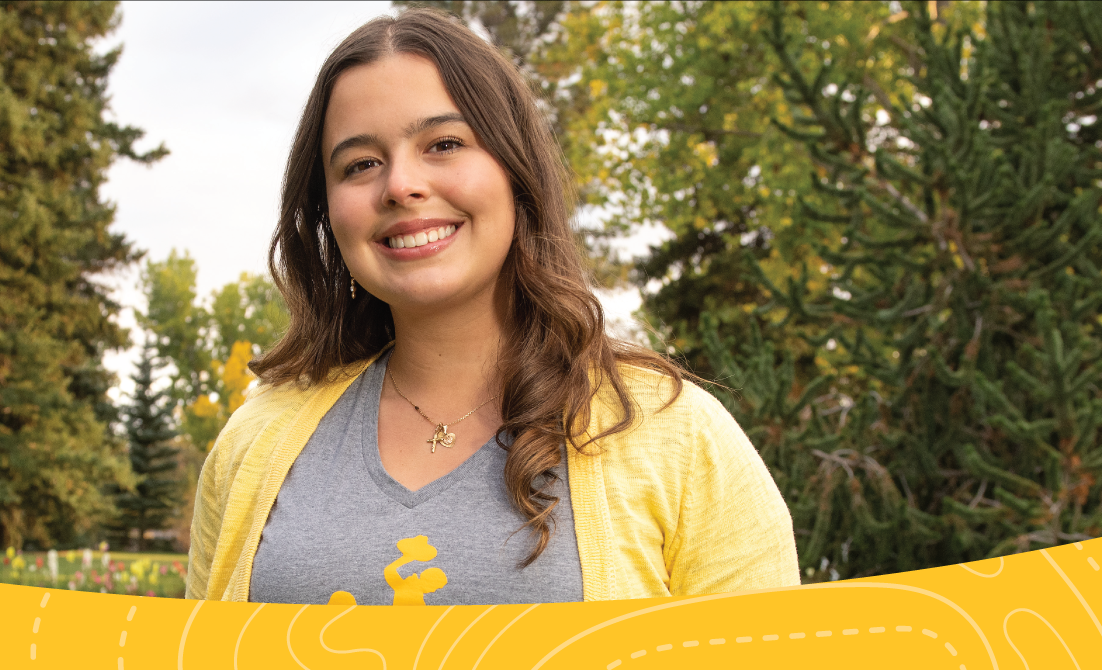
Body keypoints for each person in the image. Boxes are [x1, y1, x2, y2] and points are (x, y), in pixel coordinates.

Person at [184, 7, 798, 605]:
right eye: (360, 163)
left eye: (444, 143)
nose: (400, 184)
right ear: (326, 209)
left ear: (516, 172)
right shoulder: (252, 443)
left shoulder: (677, 434)